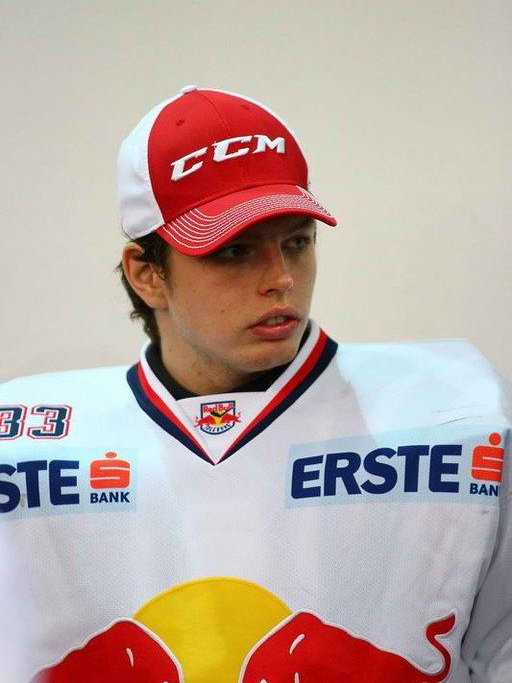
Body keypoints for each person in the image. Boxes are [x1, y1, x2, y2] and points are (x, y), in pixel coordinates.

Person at [0, 85, 511, 682]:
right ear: (147, 274)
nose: (282, 278)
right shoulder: (23, 443)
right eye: (234, 251)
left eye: (297, 241)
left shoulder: (459, 414)